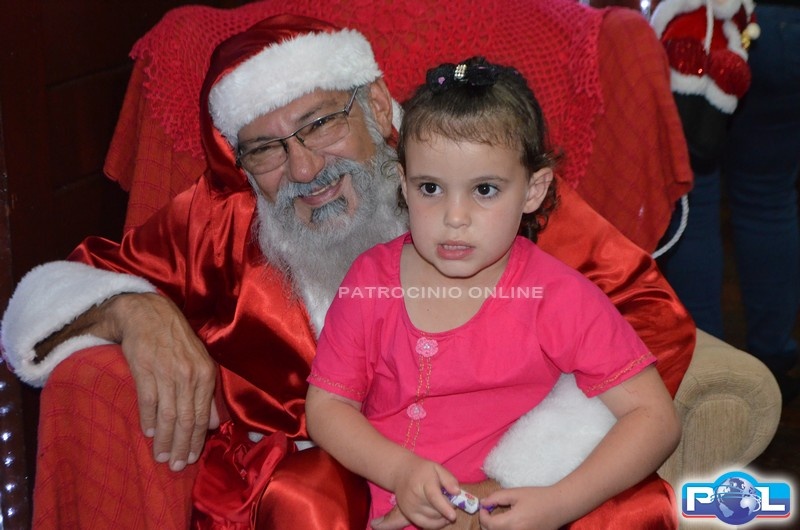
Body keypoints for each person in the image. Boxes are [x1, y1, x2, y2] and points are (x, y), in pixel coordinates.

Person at [0, 13, 692, 530]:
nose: (304, 169)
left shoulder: (482, 189)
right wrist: (133, 311)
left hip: (500, 474)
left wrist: (512, 478)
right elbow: (68, 285)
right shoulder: (216, 222)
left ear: (376, 106)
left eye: (320, 124)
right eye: (266, 149)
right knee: (307, 497)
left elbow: (649, 315)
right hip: (316, 482)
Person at [305, 57, 681, 530]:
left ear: (533, 190)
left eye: (484, 190)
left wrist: (559, 503)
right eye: (430, 188)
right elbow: (327, 408)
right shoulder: (370, 280)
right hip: (373, 511)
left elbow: (655, 418)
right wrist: (399, 471)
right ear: (403, 184)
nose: (454, 217)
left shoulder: (557, 297)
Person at [655, 1, 800, 400]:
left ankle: (709, 364)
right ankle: (773, 354)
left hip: (703, 27)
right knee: (769, 199)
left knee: (695, 206)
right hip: (787, 28)